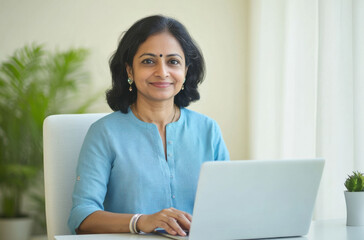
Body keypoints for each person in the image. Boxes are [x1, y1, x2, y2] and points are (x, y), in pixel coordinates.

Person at [68, 15, 230, 237]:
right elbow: (82, 217)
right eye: (148, 61)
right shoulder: (104, 133)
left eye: (173, 61)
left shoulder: (208, 130)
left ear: (186, 70)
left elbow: (228, 208)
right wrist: (141, 221)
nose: (162, 72)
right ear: (129, 71)